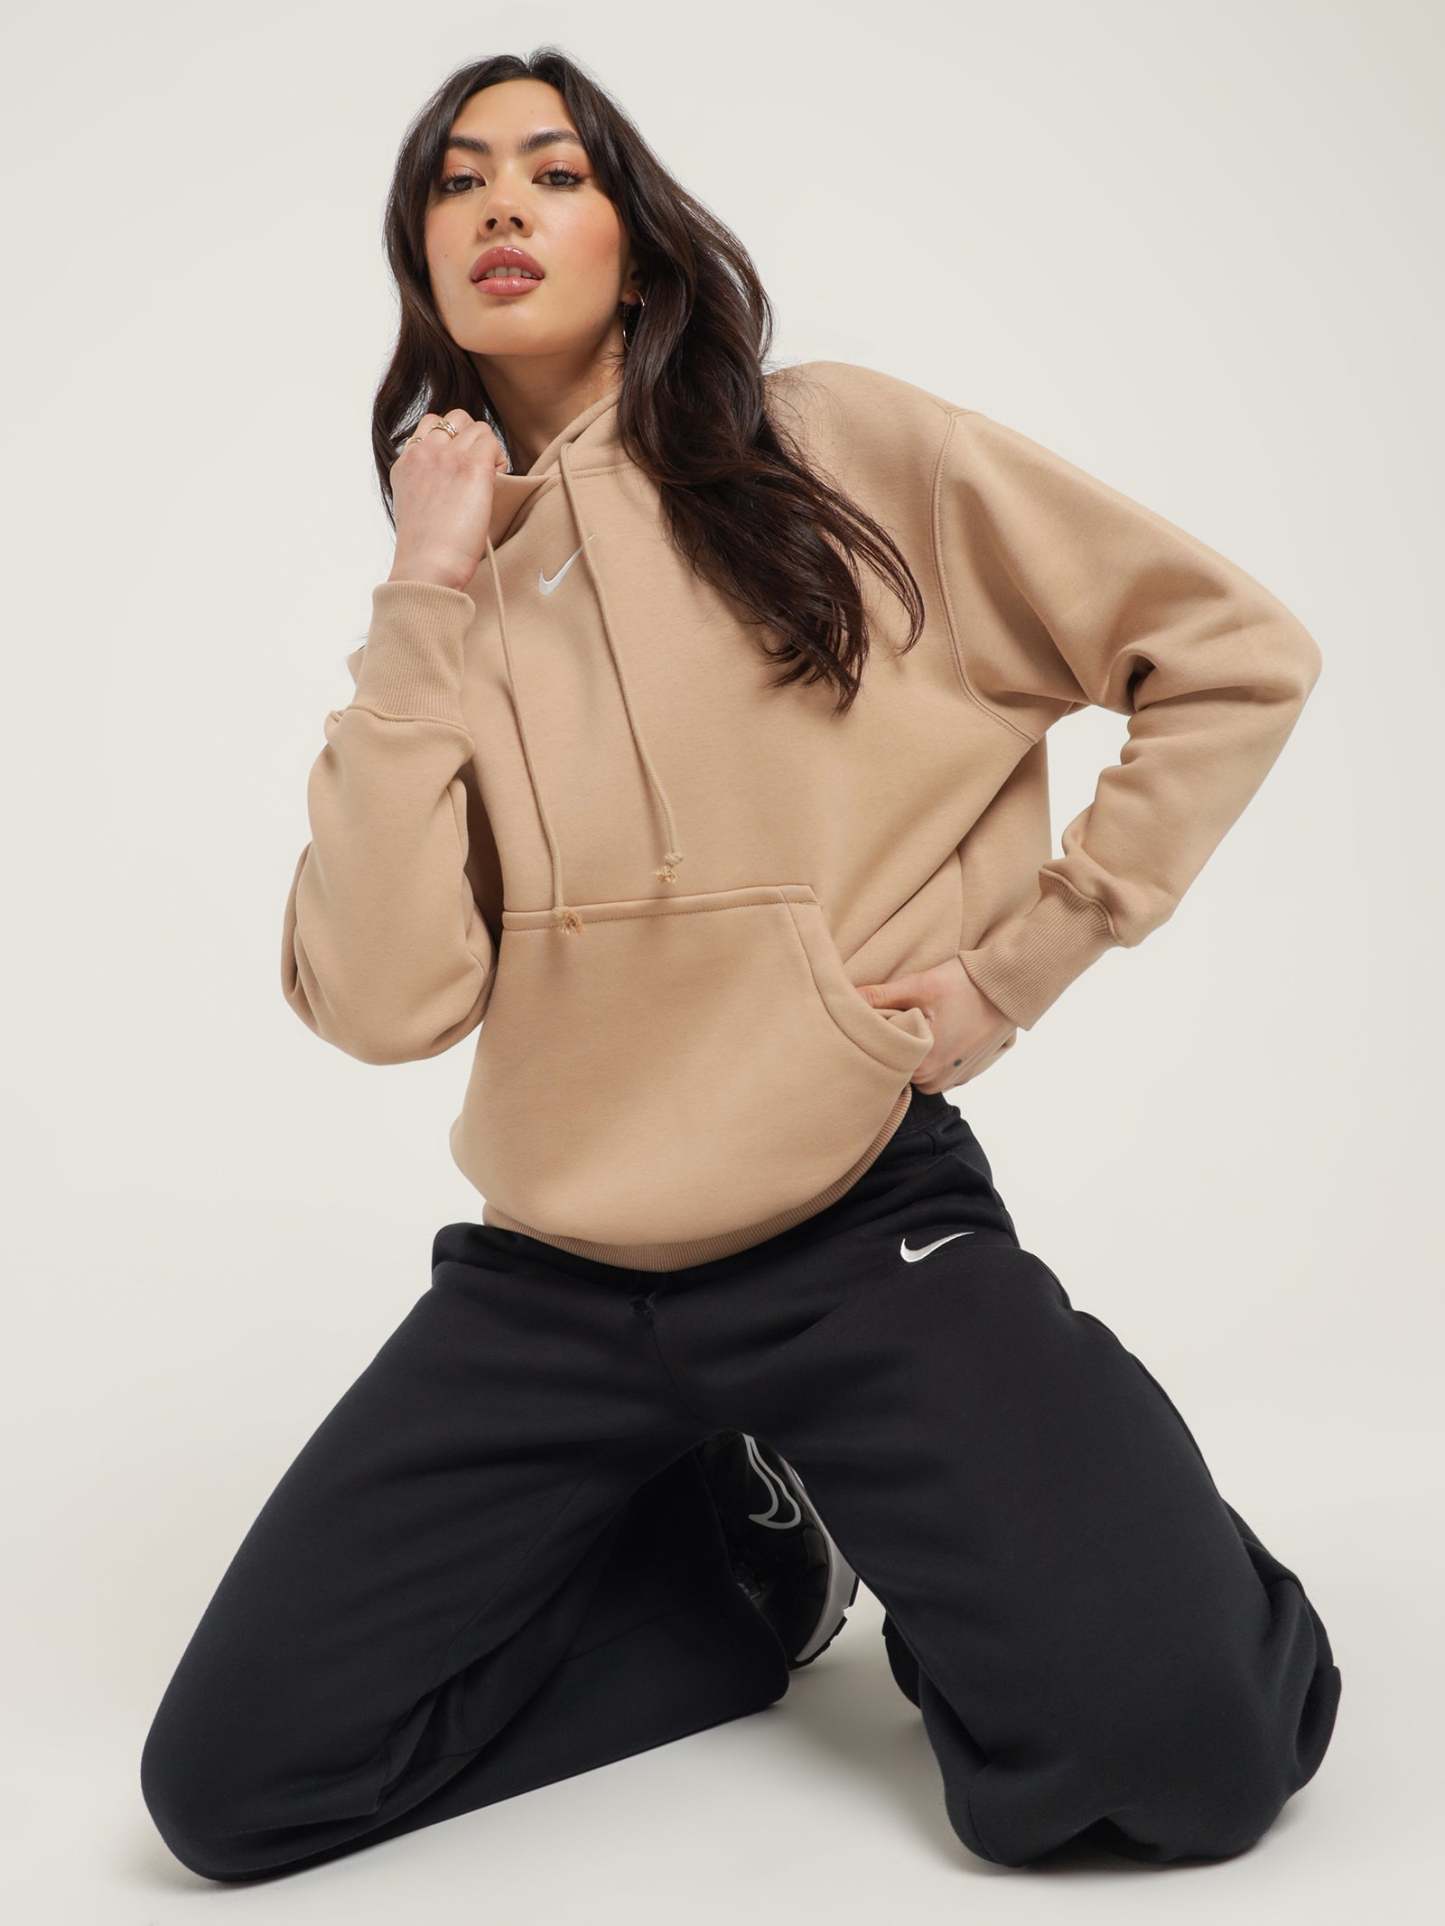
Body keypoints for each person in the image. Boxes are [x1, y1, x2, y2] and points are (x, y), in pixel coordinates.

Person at [138, 49, 1341, 1884]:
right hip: (551, 1284)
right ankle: (750, 1567)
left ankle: (1069, 1554)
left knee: (1186, 1756)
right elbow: (382, 1002)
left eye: (555, 170)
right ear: (421, 260)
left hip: (855, 1226)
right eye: (457, 181)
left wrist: (1021, 964)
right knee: (234, 1791)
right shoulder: (440, 605)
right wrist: (424, 592)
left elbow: (1232, 652)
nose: (502, 202)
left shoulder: (837, 451)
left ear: (634, 237)